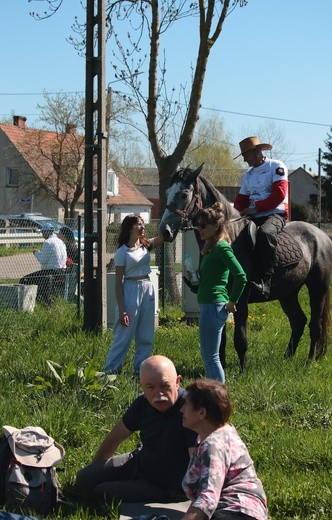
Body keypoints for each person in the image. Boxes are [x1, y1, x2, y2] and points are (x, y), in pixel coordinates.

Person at [76, 355, 197, 506]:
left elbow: (196, 463)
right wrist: (96, 468)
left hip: (167, 486)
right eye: (150, 387)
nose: (159, 394)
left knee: (101, 492)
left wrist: (197, 501)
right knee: (83, 479)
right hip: (141, 463)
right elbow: (115, 438)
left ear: (177, 382)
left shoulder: (190, 410)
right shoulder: (142, 404)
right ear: (141, 386)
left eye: (165, 386)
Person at [180, 379, 268, 520]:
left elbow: (207, 498)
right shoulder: (218, 433)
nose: (181, 409)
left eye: (187, 404)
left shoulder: (214, 445)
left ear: (202, 413)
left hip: (237, 511)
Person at [186, 203, 247, 383]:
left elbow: (241, 276)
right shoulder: (212, 248)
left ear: (215, 227)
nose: (199, 230)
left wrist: (232, 301)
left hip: (214, 306)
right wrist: (196, 276)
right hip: (208, 305)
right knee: (209, 357)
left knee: (211, 358)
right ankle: (215, 395)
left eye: (203, 226)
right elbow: (213, 277)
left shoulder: (222, 247)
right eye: (198, 225)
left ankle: (218, 397)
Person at [104, 214, 164, 376]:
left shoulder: (146, 245)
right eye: (139, 224)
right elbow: (118, 283)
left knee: (146, 335)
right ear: (130, 228)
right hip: (130, 289)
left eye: (143, 224)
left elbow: (164, 237)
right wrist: (122, 310)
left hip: (147, 288)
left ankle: (140, 372)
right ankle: (110, 371)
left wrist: (175, 222)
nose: (143, 227)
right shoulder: (122, 252)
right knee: (124, 335)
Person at [234, 136, 288, 300]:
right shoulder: (248, 175)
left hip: (274, 214)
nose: (244, 159)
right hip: (253, 215)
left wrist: (256, 208)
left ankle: (266, 281)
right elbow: (241, 200)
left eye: (246, 155)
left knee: (265, 234)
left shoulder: (276, 166)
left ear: (257, 152)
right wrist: (229, 212)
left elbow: (280, 194)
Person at [20, 223, 67, 305]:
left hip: (51, 271)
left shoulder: (48, 242)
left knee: (24, 279)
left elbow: (42, 260)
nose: (42, 234)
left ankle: (28, 301)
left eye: (43, 232)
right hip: (62, 271)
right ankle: (42, 300)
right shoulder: (60, 241)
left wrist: (36, 253)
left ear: (48, 232)